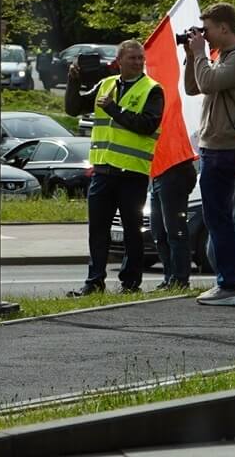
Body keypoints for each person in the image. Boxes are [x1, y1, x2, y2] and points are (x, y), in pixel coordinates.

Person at [183, 2, 235, 307]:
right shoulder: (222, 58)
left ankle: (230, 285)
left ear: (223, 28)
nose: (204, 35)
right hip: (212, 147)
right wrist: (190, 56)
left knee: (219, 219)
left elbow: (208, 82)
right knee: (216, 217)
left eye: (207, 30)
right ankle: (227, 283)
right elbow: (194, 87)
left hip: (223, 148)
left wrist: (201, 54)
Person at [67, 38, 164, 295]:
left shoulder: (153, 89)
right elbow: (73, 108)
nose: (137, 62)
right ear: (119, 61)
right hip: (103, 170)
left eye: (140, 58)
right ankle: (94, 280)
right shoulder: (106, 84)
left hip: (132, 173)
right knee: (98, 230)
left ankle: (131, 282)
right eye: (132, 58)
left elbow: (147, 125)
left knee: (132, 230)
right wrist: (73, 81)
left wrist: (113, 108)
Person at [149, 143, 197, 292]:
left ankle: (180, 280)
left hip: (175, 170)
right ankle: (170, 277)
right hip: (158, 173)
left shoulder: (174, 119)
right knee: (159, 233)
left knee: (175, 231)